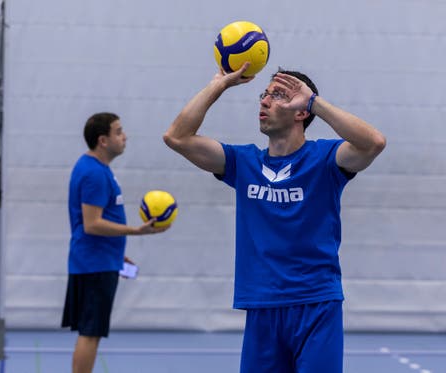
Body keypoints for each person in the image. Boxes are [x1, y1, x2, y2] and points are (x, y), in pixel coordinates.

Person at [163, 64, 386, 373]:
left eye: (279, 96)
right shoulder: (243, 163)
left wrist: (315, 103)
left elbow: (373, 142)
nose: (265, 102)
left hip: (316, 304)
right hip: (262, 307)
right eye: (265, 94)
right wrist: (217, 86)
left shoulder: (325, 160)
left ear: (300, 112)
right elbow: (176, 137)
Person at [62, 112, 169, 373]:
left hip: (100, 261)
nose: (125, 136)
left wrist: (116, 255)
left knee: (91, 333)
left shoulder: (97, 169)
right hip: (93, 265)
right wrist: (136, 230)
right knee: (91, 333)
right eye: (118, 132)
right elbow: (92, 224)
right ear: (103, 141)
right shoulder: (93, 174)